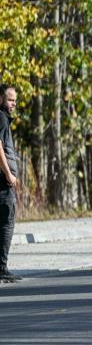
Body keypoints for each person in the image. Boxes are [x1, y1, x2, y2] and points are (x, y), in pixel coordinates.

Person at [0, 85, 21, 283]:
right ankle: (2, 268)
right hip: (3, 182)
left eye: (14, 100)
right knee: (7, 222)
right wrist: (8, 174)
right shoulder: (1, 117)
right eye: (10, 99)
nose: (13, 104)